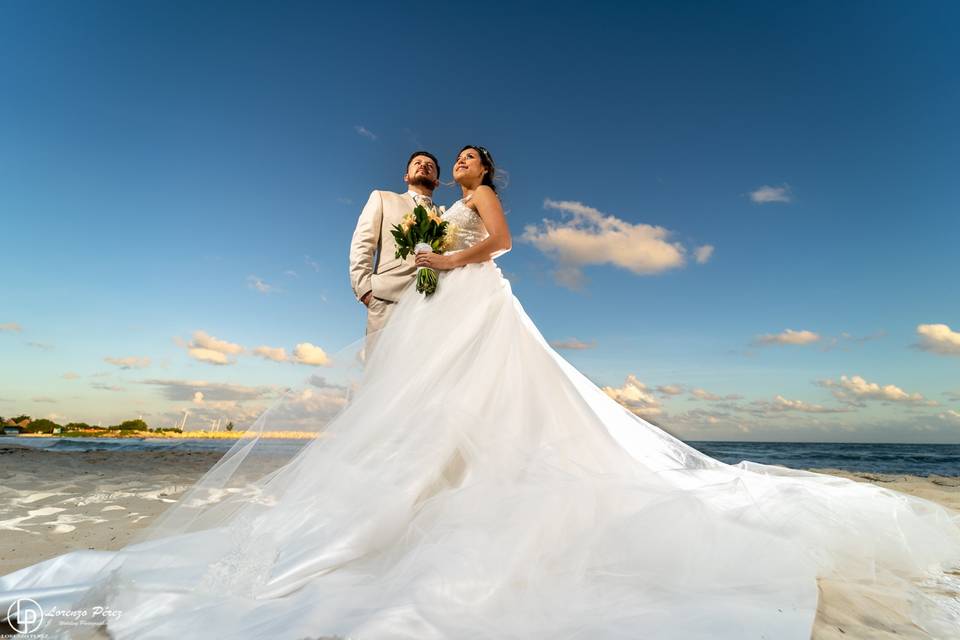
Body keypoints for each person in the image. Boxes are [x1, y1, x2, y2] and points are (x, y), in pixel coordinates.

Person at [2, 146, 959, 639]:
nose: (443, 165)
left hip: (465, 300)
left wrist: (448, 257)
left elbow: (496, 245)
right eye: (434, 161)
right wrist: (405, 278)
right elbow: (363, 265)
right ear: (410, 173)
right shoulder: (386, 207)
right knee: (416, 418)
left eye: (457, 160)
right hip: (408, 311)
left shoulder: (471, 207)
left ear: (475, 172)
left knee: (493, 403)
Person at [349, 150, 441, 336]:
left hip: (431, 307)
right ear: (406, 176)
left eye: (430, 165)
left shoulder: (445, 215)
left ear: (437, 182)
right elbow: (363, 243)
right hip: (386, 298)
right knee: (382, 364)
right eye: (417, 162)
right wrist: (365, 290)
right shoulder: (382, 198)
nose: (423, 165)